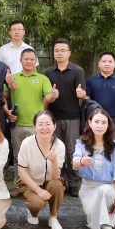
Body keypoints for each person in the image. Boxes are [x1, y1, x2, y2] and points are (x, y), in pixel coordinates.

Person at [5, 48, 53, 197]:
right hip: (17, 125)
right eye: (26, 59)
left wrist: (53, 96)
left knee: (38, 157)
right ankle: (19, 186)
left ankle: (38, 186)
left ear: (36, 61)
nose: (29, 61)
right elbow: (3, 97)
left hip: (37, 127)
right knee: (18, 158)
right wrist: (7, 111)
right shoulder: (13, 78)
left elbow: (48, 97)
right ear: (20, 60)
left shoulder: (43, 79)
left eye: (32, 59)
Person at [44, 38, 86, 197]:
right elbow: (46, 95)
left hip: (72, 117)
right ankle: (59, 181)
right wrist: (51, 95)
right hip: (53, 117)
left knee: (71, 150)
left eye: (62, 50)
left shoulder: (77, 71)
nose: (59, 53)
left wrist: (81, 94)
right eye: (56, 51)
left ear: (69, 53)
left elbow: (83, 93)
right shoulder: (48, 72)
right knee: (55, 150)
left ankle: (73, 182)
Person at [71, 109, 115, 229]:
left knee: (105, 190)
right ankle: (98, 218)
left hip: (108, 188)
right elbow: (74, 163)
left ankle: (106, 219)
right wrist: (82, 162)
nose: (99, 125)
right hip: (88, 188)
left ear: (108, 125)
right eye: (96, 121)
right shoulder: (81, 143)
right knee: (95, 213)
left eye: (103, 122)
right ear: (90, 123)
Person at [16, 110, 66, 229]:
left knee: (57, 185)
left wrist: (54, 161)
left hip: (50, 182)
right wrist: (38, 190)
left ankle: (53, 217)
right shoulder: (27, 143)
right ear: (34, 127)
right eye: (40, 124)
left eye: (48, 124)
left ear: (54, 126)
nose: (44, 128)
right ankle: (33, 212)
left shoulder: (59, 145)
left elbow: (55, 176)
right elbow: (21, 171)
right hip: (30, 183)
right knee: (37, 203)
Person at [85, 51, 115, 142]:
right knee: (94, 145)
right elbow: (87, 100)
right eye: (104, 61)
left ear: (114, 64)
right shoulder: (91, 80)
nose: (107, 64)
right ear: (99, 64)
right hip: (96, 121)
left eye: (110, 62)